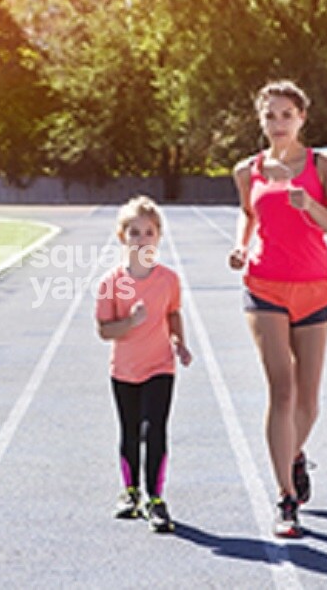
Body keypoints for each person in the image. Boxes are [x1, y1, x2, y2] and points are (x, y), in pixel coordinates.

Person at [227, 80, 327, 538]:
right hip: (264, 287)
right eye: (270, 115)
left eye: (286, 115)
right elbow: (248, 213)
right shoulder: (248, 169)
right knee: (282, 391)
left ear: (302, 118)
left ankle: (293, 454)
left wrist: (309, 204)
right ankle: (285, 497)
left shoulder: (324, 164)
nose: (278, 123)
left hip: (314, 288)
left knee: (309, 402)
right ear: (261, 120)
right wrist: (240, 247)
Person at [96, 195, 192, 533]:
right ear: (122, 237)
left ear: (158, 236)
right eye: (134, 232)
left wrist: (179, 342)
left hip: (160, 367)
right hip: (124, 370)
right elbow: (105, 331)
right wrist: (131, 323)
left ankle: (155, 498)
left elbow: (173, 312)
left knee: (155, 430)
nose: (141, 239)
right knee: (130, 431)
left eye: (148, 232)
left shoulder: (168, 279)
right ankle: (130, 493)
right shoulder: (110, 283)